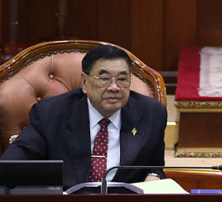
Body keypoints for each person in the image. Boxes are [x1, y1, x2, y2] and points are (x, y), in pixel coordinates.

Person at [2, 45, 168, 188]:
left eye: (122, 79)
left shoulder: (152, 114)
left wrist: (154, 175)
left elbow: (154, 166)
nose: (114, 87)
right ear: (84, 82)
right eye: (104, 79)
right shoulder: (50, 114)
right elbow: (13, 164)